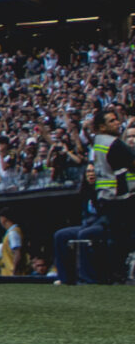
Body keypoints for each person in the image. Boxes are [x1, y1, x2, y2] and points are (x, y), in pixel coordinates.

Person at [54, 107, 131, 284]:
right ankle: (66, 280)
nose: (91, 173)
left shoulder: (117, 153)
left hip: (112, 219)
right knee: (61, 235)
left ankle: (88, 281)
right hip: (93, 221)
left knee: (87, 234)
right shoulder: (90, 189)